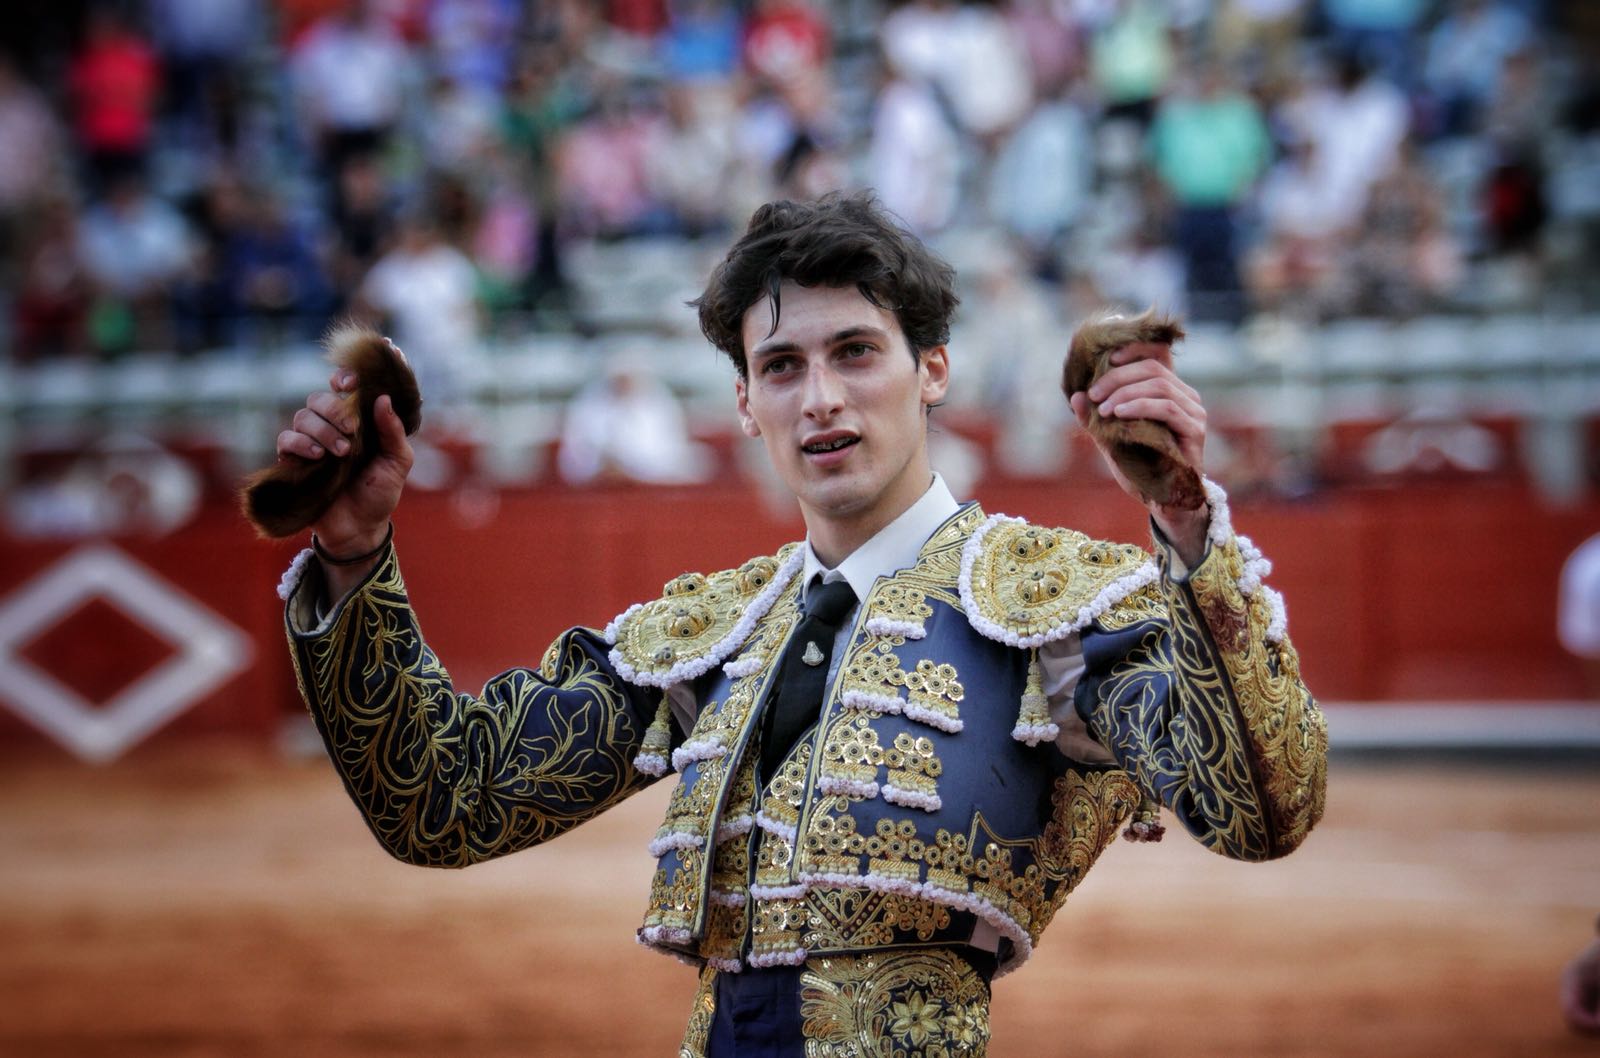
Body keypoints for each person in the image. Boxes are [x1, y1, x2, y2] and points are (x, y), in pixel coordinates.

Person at [271, 192, 1327, 1056]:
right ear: (744, 403)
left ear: (933, 369)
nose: (819, 397)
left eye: (856, 352)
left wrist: (1188, 533)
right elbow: (444, 801)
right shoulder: (716, 628)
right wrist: (355, 554)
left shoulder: (1050, 601)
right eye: (782, 366)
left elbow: (1259, 808)